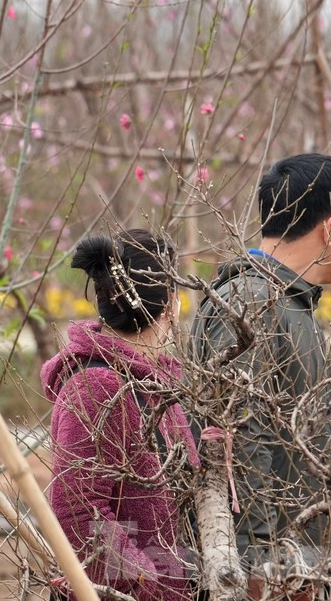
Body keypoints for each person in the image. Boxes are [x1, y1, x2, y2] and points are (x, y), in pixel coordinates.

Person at [190, 153, 331, 600]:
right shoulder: (252, 305)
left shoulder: (288, 302)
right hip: (282, 575)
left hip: (312, 562)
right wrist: (268, 571)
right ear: (330, 228)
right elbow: (241, 445)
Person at [43, 229, 200, 601]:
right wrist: (150, 585)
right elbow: (78, 516)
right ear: (170, 305)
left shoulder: (156, 381)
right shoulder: (97, 387)